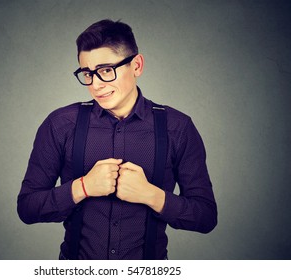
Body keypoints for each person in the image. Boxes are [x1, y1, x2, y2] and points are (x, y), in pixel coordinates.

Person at [17, 19, 217, 260]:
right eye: (87, 74)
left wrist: (150, 195)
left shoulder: (178, 128)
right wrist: (82, 188)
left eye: (105, 71)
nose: (96, 85)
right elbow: (27, 208)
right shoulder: (60, 124)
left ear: (137, 65)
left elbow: (205, 217)